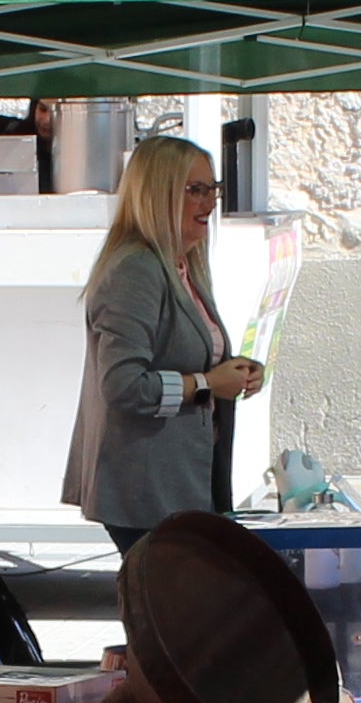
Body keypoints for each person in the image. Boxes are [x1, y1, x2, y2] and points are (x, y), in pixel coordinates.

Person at [63, 133, 260, 558]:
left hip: (182, 483)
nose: (209, 202)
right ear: (158, 196)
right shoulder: (136, 269)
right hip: (146, 490)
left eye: (213, 189)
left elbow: (191, 352)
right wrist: (207, 384)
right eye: (196, 190)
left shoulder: (183, 266)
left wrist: (236, 369)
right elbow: (123, 387)